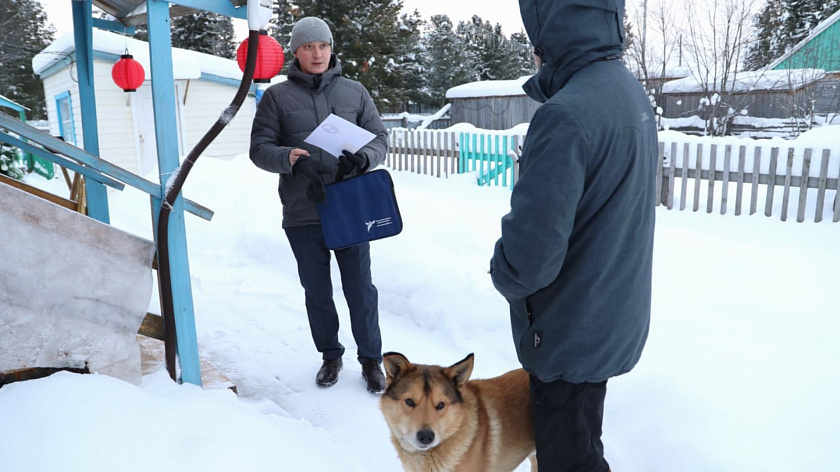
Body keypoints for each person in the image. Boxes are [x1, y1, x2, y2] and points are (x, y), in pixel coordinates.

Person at [489, 0, 657, 470]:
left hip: (571, 325)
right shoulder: (627, 92)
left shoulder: (565, 114)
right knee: (582, 443)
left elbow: (531, 257)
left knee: (569, 458)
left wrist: (501, 271)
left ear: (550, 30)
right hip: (609, 311)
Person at [249, 16, 388, 394]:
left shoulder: (355, 92)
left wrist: (363, 158)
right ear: (295, 51)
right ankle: (330, 355)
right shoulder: (277, 97)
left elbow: (380, 137)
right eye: (309, 46)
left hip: (349, 208)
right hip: (302, 210)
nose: (317, 53)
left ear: (331, 48)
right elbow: (259, 149)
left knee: (361, 289)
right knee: (317, 290)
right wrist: (289, 157)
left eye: (323, 45)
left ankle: (371, 360)